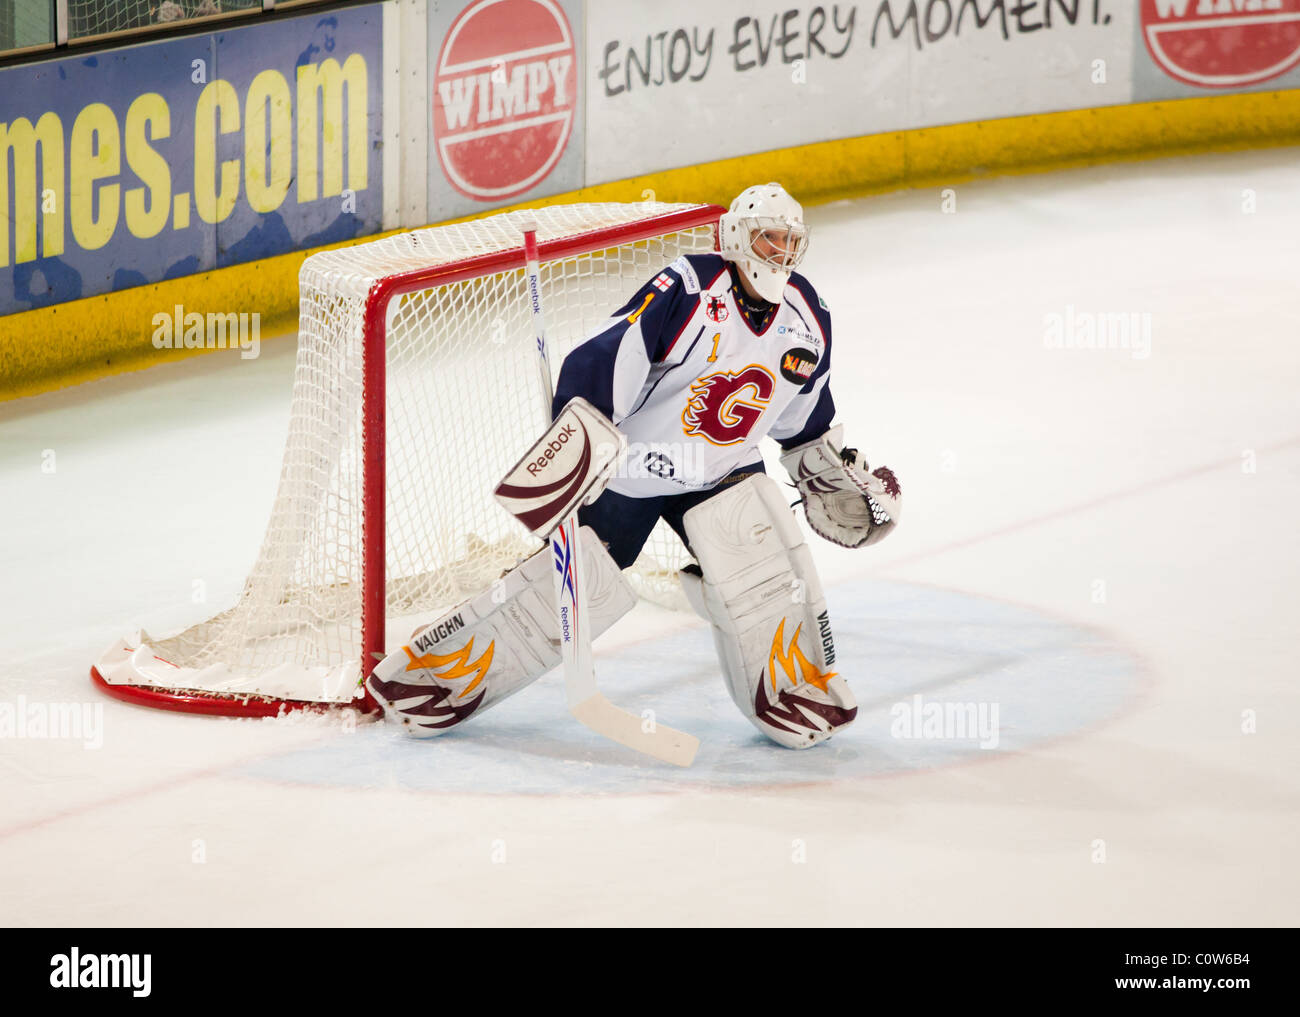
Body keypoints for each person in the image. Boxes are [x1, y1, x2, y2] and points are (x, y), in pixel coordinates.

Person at [367, 183, 901, 749]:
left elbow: (804, 413)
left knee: (766, 578)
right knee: (576, 585)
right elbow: (604, 356)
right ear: (739, 239)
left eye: (790, 241)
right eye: (768, 238)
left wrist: (821, 468)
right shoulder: (691, 286)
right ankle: (441, 669)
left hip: (724, 471)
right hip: (638, 466)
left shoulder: (808, 316)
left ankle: (793, 688)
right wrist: (581, 447)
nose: (780, 252)